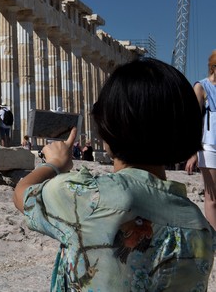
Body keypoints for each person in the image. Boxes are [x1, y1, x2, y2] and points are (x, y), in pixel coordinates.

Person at [13, 58, 213, 290]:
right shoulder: (200, 226)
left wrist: (55, 164)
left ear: (110, 127)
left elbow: (22, 194)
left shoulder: (90, 197)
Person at [186, 50, 216, 229]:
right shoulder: (201, 87)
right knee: (212, 197)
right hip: (209, 146)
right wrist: (193, 153)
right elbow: (193, 121)